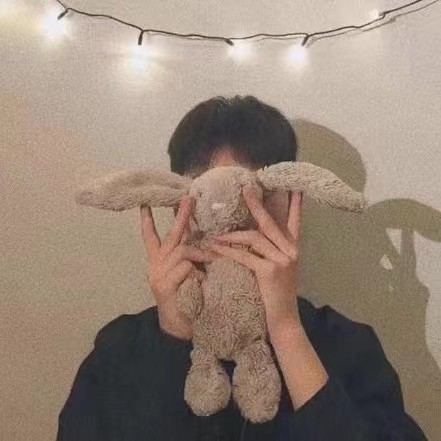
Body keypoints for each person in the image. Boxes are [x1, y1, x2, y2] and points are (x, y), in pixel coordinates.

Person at [56, 95, 428, 440]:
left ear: (292, 204)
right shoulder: (120, 347)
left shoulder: (348, 345)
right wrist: (173, 336)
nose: (239, 222)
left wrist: (287, 331)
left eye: (258, 197)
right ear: (179, 205)